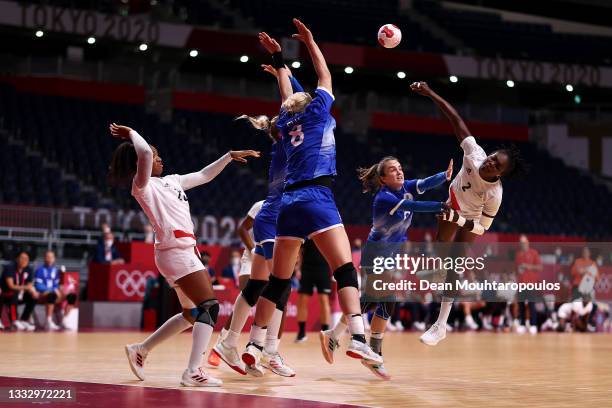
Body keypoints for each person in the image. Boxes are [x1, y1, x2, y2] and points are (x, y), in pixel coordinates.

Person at [241, 22, 381, 372]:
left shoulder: (286, 124)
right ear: (314, 103)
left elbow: (287, 93)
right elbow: (324, 75)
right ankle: (360, 340)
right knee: (346, 270)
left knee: (278, 281)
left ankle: (256, 344)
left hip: (288, 204)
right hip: (317, 197)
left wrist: (280, 60)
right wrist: (311, 43)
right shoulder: (320, 112)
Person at [108, 122, 259, 387]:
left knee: (191, 314)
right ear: (142, 163)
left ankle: (140, 350)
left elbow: (202, 175)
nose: (159, 158)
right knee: (209, 307)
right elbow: (142, 153)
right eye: (155, 156)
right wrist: (133, 133)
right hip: (175, 252)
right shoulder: (142, 186)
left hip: (184, 251)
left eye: (157, 155)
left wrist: (227, 157)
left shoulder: (171, 181)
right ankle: (193, 371)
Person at [410, 81, 528, 346]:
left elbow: (482, 229)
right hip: (453, 203)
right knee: (442, 251)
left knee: (454, 265)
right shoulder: (474, 153)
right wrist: (430, 93)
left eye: (496, 164)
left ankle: (441, 325)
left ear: (499, 174)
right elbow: (455, 118)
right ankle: (437, 273)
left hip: (471, 221)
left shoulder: (495, 193)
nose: (490, 161)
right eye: (493, 156)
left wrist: (459, 220)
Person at [212, 58, 305, 378]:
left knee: (266, 285)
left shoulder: (292, 142)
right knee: (276, 286)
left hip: (282, 219)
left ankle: (244, 345)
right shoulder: (289, 144)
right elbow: (295, 101)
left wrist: (286, 73)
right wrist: (282, 69)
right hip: (273, 219)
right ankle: (256, 348)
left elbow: (298, 100)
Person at [323, 156, 452, 379]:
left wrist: (444, 176)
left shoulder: (406, 186)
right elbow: (415, 206)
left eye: (400, 168)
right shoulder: (384, 198)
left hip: (390, 254)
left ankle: (334, 335)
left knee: (371, 301)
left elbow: (423, 183)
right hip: (376, 255)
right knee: (388, 300)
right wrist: (442, 206)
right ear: (383, 179)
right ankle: (373, 354)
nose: (399, 172)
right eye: (393, 170)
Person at [207, 200, 262, 368]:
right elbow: (242, 229)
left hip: (272, 262)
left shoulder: (291, 208)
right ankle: (219, 346)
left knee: (267, 308)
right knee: (247, 298)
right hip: (251, 260)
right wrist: (254, 251)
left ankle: (256, 353)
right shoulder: (261, 205)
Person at [295, 239, 332, 343]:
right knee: (302, 299)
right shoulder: (305, 229)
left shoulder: (327, 229)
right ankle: (301, 333)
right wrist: (298, 268)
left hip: (323, 268)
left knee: (324, 299)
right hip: (306, 268)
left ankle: (325, 333)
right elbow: (300, 250)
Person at [0, 251, 37, 331]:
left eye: (26, 259)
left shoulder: (28, 269)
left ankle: (24, 320)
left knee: (33, 296)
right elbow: (11, 286)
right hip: (5, 293)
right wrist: (25, 287)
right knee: (14, 293)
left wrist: (32, 291)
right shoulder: (10, 267)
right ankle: (14, 320)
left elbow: (30, 285)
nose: (24, 260)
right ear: (17, 259)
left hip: (20, 294)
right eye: (22, 258)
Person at [515, 234, 543, 335]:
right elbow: (516, 269)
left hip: (531, 284)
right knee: (521, 305)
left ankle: (533, 325)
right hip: (521, 284)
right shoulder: (518, 255)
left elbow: (540, 267)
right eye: (521, 242)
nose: (522, 244)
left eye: (524, 242)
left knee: (531, 305)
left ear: (528, 242)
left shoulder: (534, 253)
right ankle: (522, 325)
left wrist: (527, 266)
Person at [34, 250, 67, 331]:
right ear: (44, 258)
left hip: (53, 293)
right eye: (47, 257)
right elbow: (38, 285)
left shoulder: (55, 271)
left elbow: (56, 284)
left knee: (71, 296)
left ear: (54, 259)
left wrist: (59, 289)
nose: (49, 259)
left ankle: (64, 320)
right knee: (51, 295)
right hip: (43, 294)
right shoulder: (40, 270)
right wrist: (52, 290)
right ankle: (48, 321)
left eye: (51, 257)